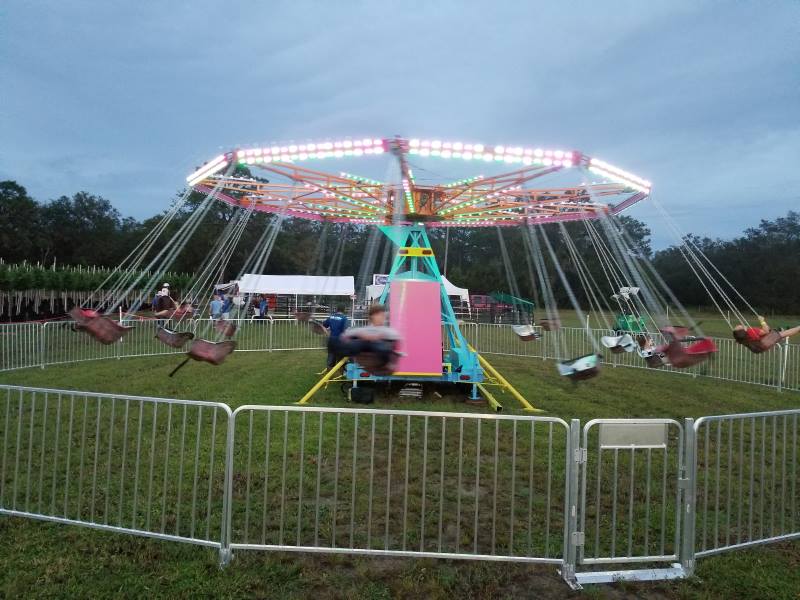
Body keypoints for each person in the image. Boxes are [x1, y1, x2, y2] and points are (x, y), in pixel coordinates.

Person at [332, 304, 402, 375]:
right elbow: (346, 335)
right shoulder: (364, 330)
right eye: (378, 315)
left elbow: (396, 341)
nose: (381, 318)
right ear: (372, 316)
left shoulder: (388, 331)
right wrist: (362, 336)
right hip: (365, 351)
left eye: (382, 315)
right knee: (339, 342)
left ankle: (377, 352)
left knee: (382, 345)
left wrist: (378, 337)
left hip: (380, 354)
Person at [733, 316, 800, 345]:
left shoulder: (743, 338)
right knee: (788, 332)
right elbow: (766, 331)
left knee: (784, 332)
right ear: (742, 330)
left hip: (766, 339)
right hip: (768, 339)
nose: (740, 324)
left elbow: (738, 341)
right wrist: (762, 321)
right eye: (739, 326)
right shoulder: (751, 331)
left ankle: (783, 331)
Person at [321, 305, 350, 371]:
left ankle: (329, 369)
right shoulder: (344, 318)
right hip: (340, 340)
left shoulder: (331, 317)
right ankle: (341, 370)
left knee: (331, 355)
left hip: (331, 339)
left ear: (337, 309)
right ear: (344, 310)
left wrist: (327, 332)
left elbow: (324, 325)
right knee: (341, 356)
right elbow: (346, 331)